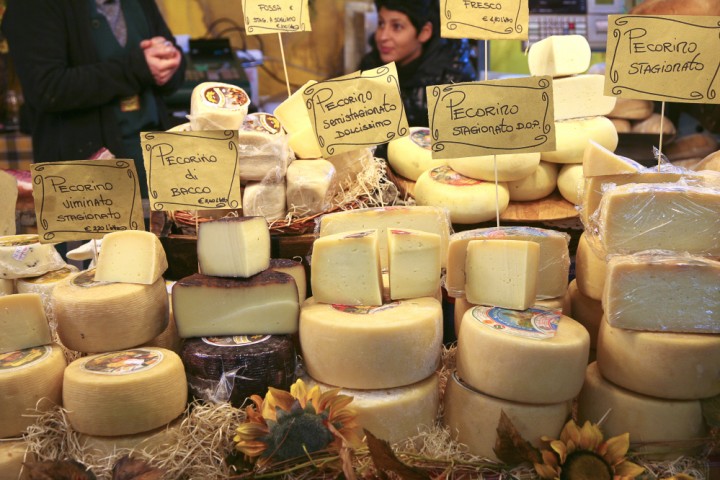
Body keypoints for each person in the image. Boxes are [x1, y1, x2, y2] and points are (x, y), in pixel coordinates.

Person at [1, 0, 186, 199]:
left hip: (157, 165)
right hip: (83, 184)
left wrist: (170, 64)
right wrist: (136, 68)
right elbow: (47, 88)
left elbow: (171, 68)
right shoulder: (32, 6)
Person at [359, 0, 477, 128]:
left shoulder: (453, 77)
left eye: (397, 26)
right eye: (381, 23)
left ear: (424, 32)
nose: (382, 36)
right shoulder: (370, 66)